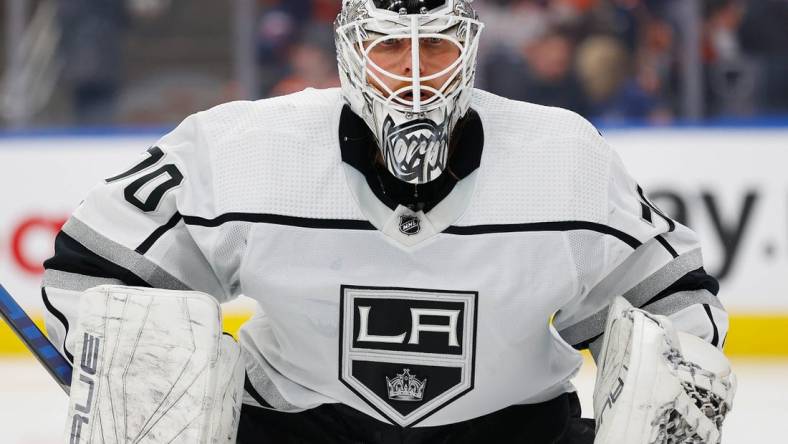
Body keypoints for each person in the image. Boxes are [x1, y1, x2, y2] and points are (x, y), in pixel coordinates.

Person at [42, 1, 733, 442]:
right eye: (388, 46)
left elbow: (675, 308)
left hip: (510, 433)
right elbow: (96, 269)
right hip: (293, 430)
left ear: (467, 50)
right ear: (351, 51)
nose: (413, 74)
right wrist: (139, 384)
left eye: (434, 47)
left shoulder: (564, 157)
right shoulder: (240, 148)